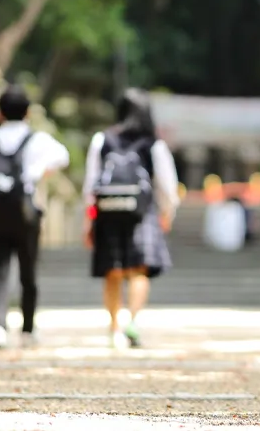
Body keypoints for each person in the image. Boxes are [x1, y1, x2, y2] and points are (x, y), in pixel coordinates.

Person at [0, 85, 70, 350]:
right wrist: (40, 172)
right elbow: (63, 157)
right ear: (27, 113)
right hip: (27, 212)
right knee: (28, 271)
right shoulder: (38, 140)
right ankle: (27, 327)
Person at [82, 88, 179, 348]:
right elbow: (168, 186)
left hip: (107, 212)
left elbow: (91, 184)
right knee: (138, 271)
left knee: (112, 272)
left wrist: (89, 220)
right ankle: (132, 323)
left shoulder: (101, 140)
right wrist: (166, 213)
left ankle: (114, 328)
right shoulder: (153, 144)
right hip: (143, 213)